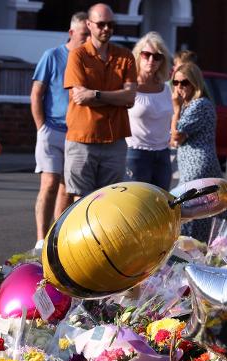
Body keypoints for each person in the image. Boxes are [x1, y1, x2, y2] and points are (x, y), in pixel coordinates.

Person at [63, 3, 137, 201]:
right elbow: (80, 98)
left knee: (110, 202)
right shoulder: (77, 55)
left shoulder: (125, 56)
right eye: (101, 24)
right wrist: (116, 97)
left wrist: (95, 95)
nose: (106, 29)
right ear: (89, 24)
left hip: (115, 139)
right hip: (82, 139)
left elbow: (130, 97)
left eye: (111, 24)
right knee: (81, 201)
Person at [30, 12, 89, 251]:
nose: (87, 39)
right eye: (84, 34)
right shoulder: (52, 56)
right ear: (72, 33)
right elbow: (37, 92)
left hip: (77, 132)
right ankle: (40, 239)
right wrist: (41, 127)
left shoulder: (89, 59)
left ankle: (56, 239)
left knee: (67, 187)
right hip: (52, 128)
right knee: (50, 182)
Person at [170, 62, 223, 241]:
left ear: (195, 83)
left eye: (184, 83)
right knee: (198, 212)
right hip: (193, 164)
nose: (178, 88)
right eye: (175, 83)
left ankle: (194, 256)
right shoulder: (191, 104)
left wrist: (176, 109)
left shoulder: (199, 104)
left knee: (192, 212)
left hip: (197, 165)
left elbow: (176, 136)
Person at [125, 32, 174, 190]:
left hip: (163, 154)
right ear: (138, 56)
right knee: (137, 204)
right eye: (146, 55)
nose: (151, 60)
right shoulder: (129, 87)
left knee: (162, 205)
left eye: (157, 57)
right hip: (136, 153)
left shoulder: (166, 89)